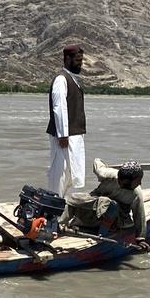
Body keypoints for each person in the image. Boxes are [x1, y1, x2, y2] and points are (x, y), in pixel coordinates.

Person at [61, 159, 150, 251]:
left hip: (118, 218)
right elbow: (97, 161)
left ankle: (101, 236)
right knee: (73, 198)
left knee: (110, 204)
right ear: (125, 181)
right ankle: (58, 225)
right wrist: (104, 165)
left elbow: (139, 215)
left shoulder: (136, 193)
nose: (140, 183)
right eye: (138, 181)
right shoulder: (108, 175)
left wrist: (140, 238)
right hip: (97, 207)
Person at [47, 45, 86, 196]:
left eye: (81, 60)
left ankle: (62, 204)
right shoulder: (61, 79)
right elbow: (59, 107)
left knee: (71, 173)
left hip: (73, 135)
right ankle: (53, 207)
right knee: (59, 173)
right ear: (67, 59)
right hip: (64, 137)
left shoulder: (72, 79)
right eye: (77, 60)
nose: (80, 63)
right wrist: (63, 134)